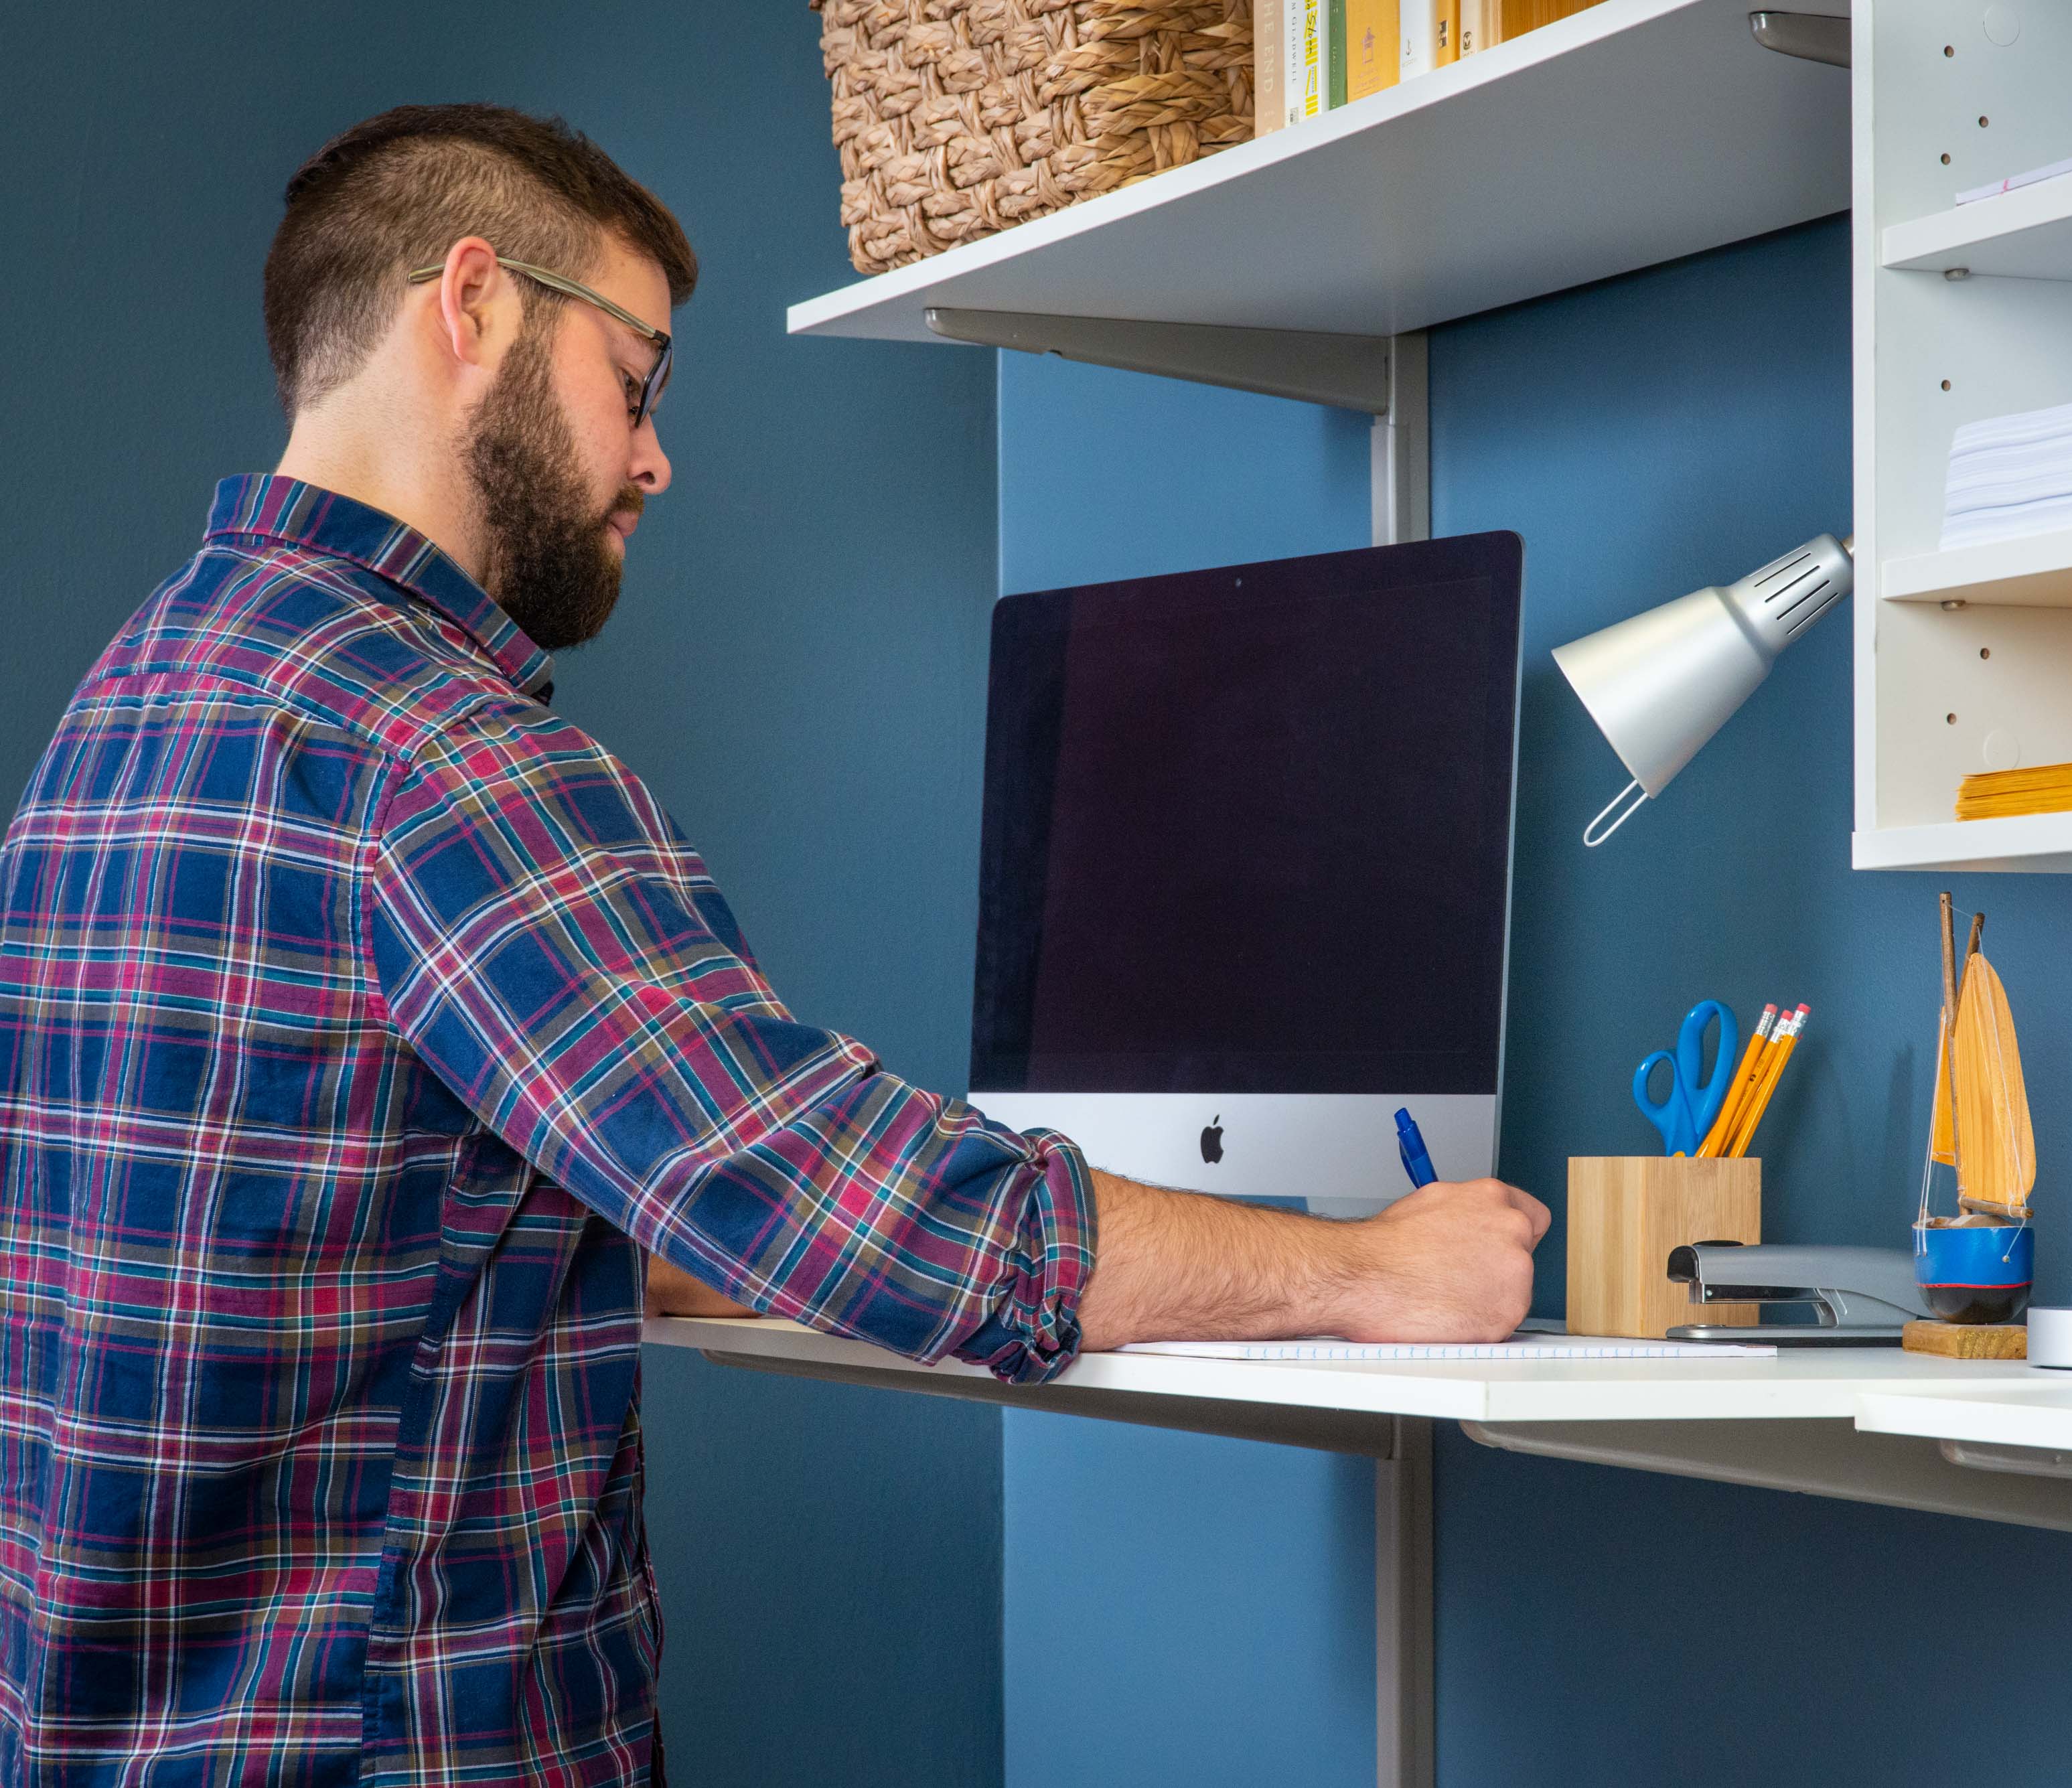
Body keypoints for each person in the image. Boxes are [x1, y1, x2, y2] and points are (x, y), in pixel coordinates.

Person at [0, 104, 1547, 1786]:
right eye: (638, 379)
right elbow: (858, 1201)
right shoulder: (433, 752)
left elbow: (332, 1212)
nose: (654, 458)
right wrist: (1369, 1270)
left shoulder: (137, 697)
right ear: (476, 304)